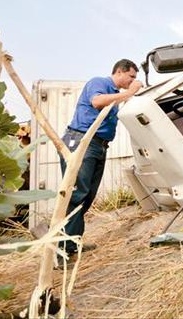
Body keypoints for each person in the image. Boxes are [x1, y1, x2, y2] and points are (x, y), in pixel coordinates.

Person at [58, 59, 143, 260]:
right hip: (82, 142)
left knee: (86, 196)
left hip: (98, 146)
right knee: (76, 194)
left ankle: (72, 243)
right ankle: (60, 250)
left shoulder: (115, 95)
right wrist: (130, 93)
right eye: (131, 77)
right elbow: (97, 102)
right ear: (120, 72)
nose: (133, 81)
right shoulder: (99, 83)